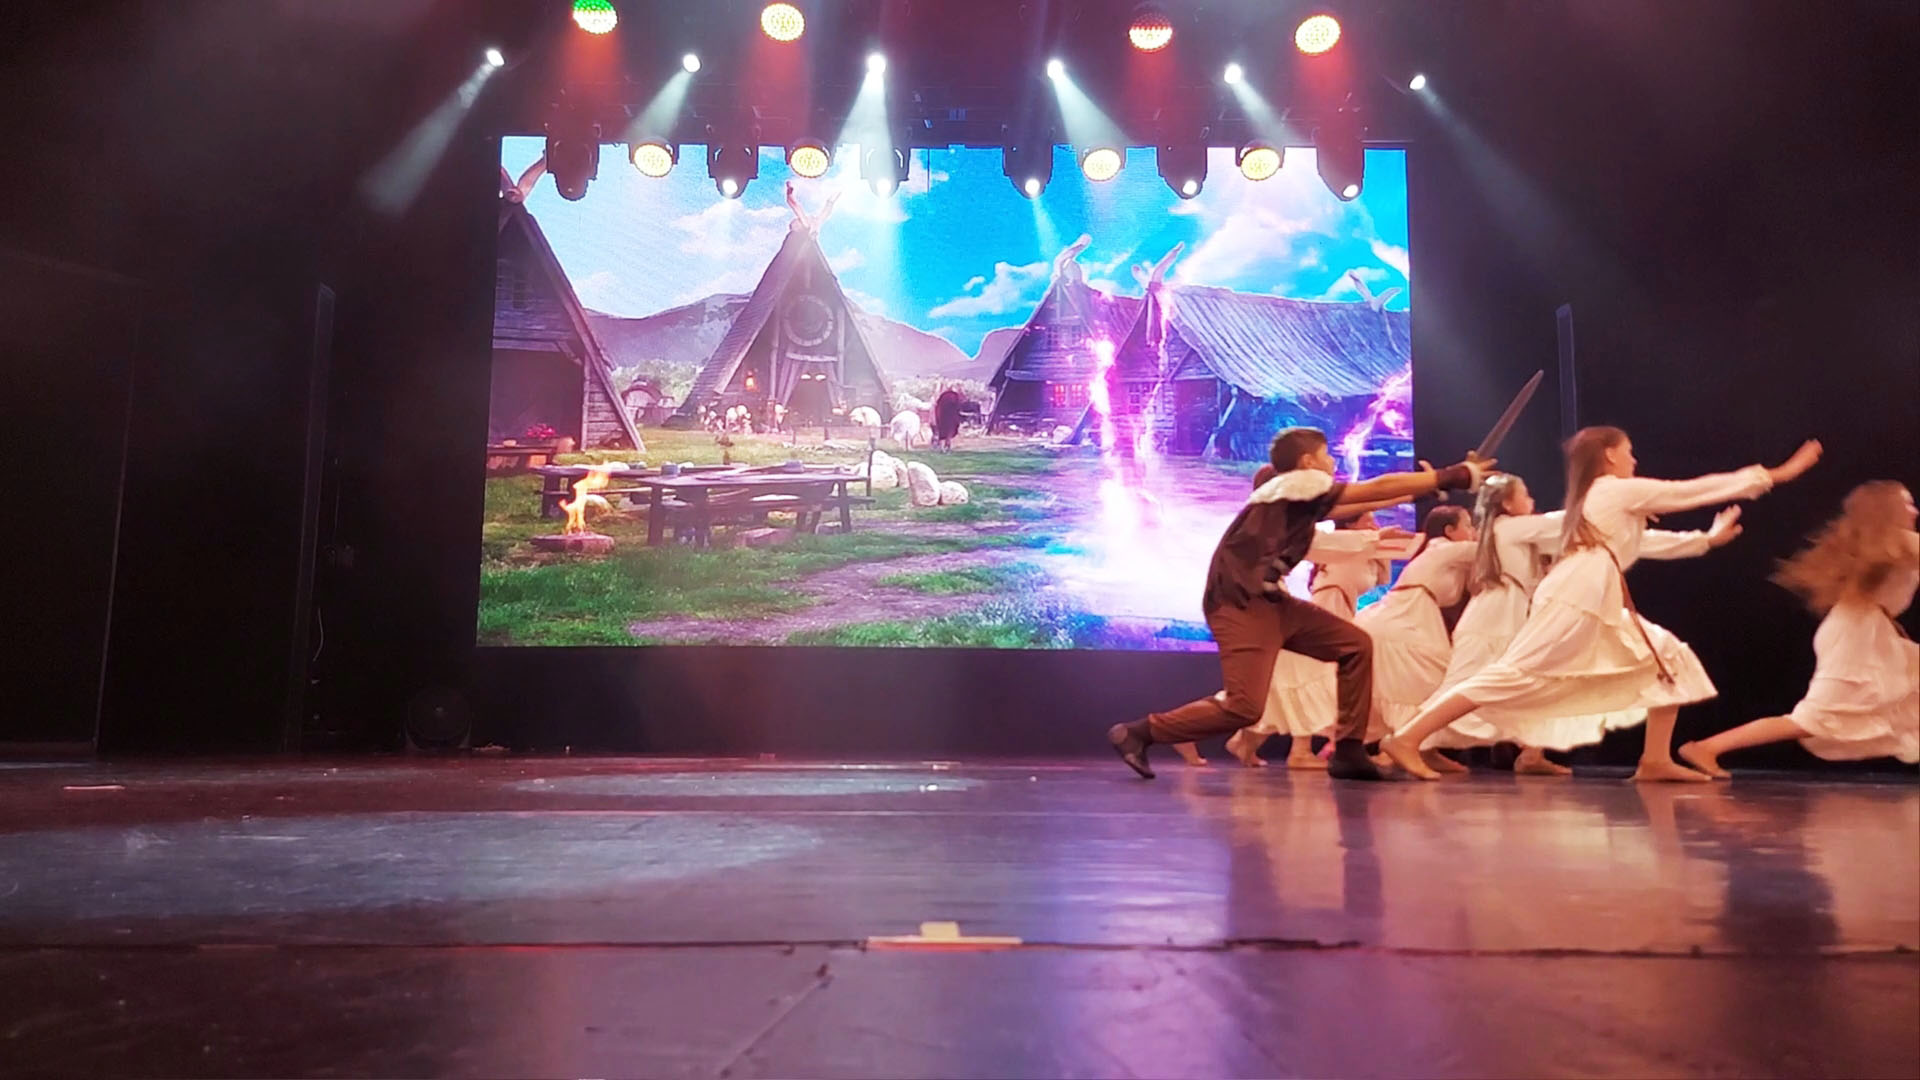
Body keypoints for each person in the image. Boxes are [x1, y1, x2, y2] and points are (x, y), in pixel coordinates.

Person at [1380, 428, 1822, 781]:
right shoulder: (1610, 490)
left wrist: (1703, 540)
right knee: (1515, 674)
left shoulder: (1601, 501)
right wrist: (1772, 475)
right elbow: (1685, 491)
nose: (1634, 459)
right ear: (1609, 455)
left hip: (1595, 592)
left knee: (1669, 658)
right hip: (1576, 595)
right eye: (1628, 451)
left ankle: (1655, 759)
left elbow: (1644, 542)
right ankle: (1408, 737)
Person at [1108, 427, 1489, 781]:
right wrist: (1451, 475)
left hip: (1270, 602)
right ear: (1307, 462)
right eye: (1326, 455)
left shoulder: (1293, 500)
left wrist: (1421, 491)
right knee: (1245, 707)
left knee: (1355, 646)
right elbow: (1371, 488)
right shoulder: (1299, 483)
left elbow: (1360, 501)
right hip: (1243, 603)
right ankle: (1140, 732)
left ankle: (1349, 751)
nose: (1332, 462)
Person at [1680, 482, 1918, 775]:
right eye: (1907, 503)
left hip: (1868, 632)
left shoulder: (1882, 543)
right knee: (1812, 719)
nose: (1914, 510)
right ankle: (1707, 747)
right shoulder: (1899, 541)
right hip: (1856, 635)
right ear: (1887, 509)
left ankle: (1707, 747)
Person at [1356, 505, 1480, 774]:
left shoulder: (1447, 557)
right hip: (1405, 618)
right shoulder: (1443, 548)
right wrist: (1503, 531)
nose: (1472, 532)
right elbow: (1484, 551)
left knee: (1424, 682)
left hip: (1411, 617)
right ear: (1449, 531)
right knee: (1426, 681)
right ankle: (1401, 747)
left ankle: (1423, 748)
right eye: (1468, 525)